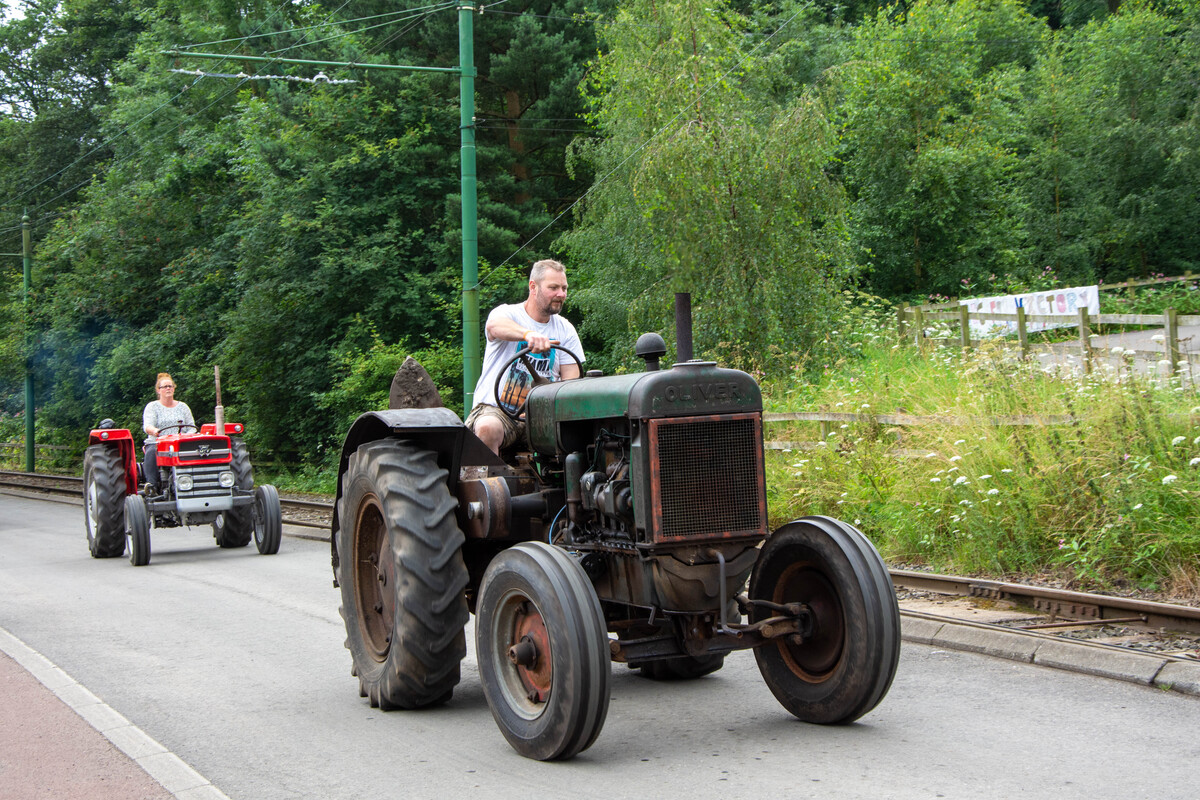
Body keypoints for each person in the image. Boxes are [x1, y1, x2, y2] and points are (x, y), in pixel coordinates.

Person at [466, 259, 584, 455]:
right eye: (553, 287)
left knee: (588, 436)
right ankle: (489, 482)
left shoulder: (566, 329)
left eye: (564, 288)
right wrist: (527, 335)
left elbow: (571, 383)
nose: (561, 294)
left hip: (542, 418)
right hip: (499, 412)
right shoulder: (507, 314)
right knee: (488, 427)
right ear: (533, 287)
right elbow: (494, 326)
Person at [142, 372, 195, 491]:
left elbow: (192, 427)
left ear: (174, 389)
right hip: (159, 442)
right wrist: (155, 431)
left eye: (170, 386)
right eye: (165, 387)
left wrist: (186, 436)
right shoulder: (153, 407)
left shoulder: (183, 407)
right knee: (151, 451)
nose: (168, 389)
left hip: (181, 442)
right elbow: (148, 426)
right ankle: (152, 486)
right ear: (158, 390)